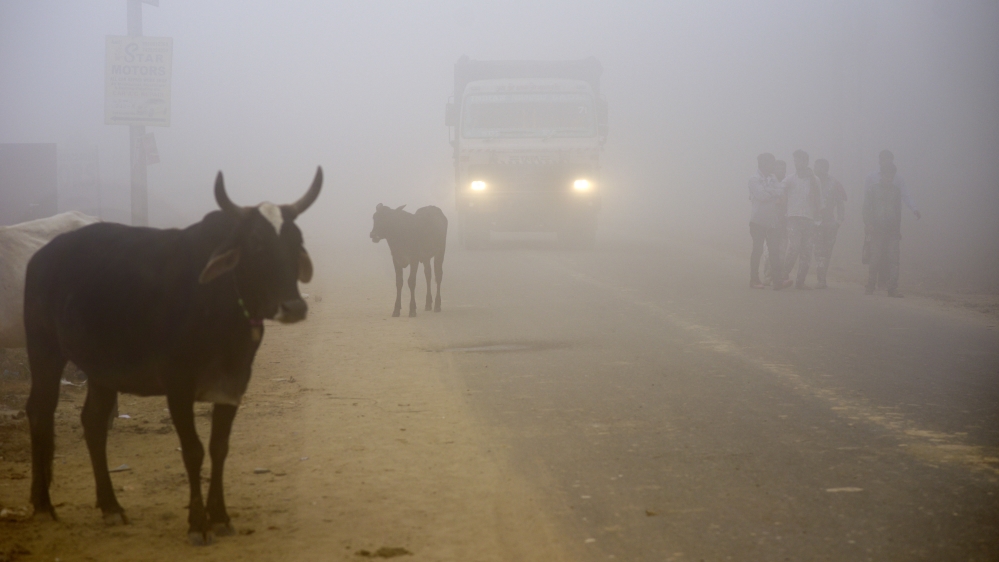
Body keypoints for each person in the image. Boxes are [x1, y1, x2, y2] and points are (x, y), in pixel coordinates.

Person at [864, 150, 920, 289]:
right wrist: (868, 222)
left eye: (889, 159)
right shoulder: (871, 178)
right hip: (875, 224)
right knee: (876, 254)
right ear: (879, 161)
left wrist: (914, 208)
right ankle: (872, 283)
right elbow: (867, 203)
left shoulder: (897, 181)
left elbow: (904, 197)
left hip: (891, 225)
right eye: (884, 159)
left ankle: (885, 282)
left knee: (891, 255)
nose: (887, 162)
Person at [748, 153, 791, 290]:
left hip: (772, 221)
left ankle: (777, 281)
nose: (773, 165)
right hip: (758, 221)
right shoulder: (753, 179)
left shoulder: (773, 178)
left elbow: (781, 193)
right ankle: (754, 279)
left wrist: (771, 193)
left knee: (774, 251)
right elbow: (761, 196)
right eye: (771, 163)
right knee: (758, 250)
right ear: (763, 164)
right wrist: (774, 194)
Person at [782, 149, 821, 289]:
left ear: (806, 161)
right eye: (795, 160)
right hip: (793, 218)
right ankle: (782, 275)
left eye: (800, 160)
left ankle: (800, 281)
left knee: (806, 251)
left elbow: (818, 200)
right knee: (794, 247)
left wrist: (818, 218)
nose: (797, 163)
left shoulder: (815, 180)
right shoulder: (790, 179)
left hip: (809, 219)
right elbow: (780, 191)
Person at [864, 162, 904, 296]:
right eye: (887, 175)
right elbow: (866, 208)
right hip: (877, 229)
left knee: (894, 259)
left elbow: (898, 211)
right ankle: (870, 286)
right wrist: (868, 224)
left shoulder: (896, 191)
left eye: (892, 175)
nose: (890, 177)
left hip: (892, 231)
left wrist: (898, 229)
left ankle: (892, 288)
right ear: (882, 175)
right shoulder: (872, 189)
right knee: (875, 258)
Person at [813, 159, 847, 288]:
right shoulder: (811, 182)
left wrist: (839, 221)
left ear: (825, 168)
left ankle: (822, 278)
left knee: (827, 252)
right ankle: (821, 280)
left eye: (819, 166)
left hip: (830, 223)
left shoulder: (834, 183)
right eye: (815, 166)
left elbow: (840, 203)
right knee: (818, 252)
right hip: (815, 223)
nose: (816, 168)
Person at [762, 159, 788, 286]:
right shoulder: (768, 182)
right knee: (768, 252)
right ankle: (768, 276)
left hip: (784, 223)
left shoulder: (788, 183)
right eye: (778, 168)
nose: (781, 171)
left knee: (782, 252)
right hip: (770, 222)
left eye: (783, 169)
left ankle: (779, 277)